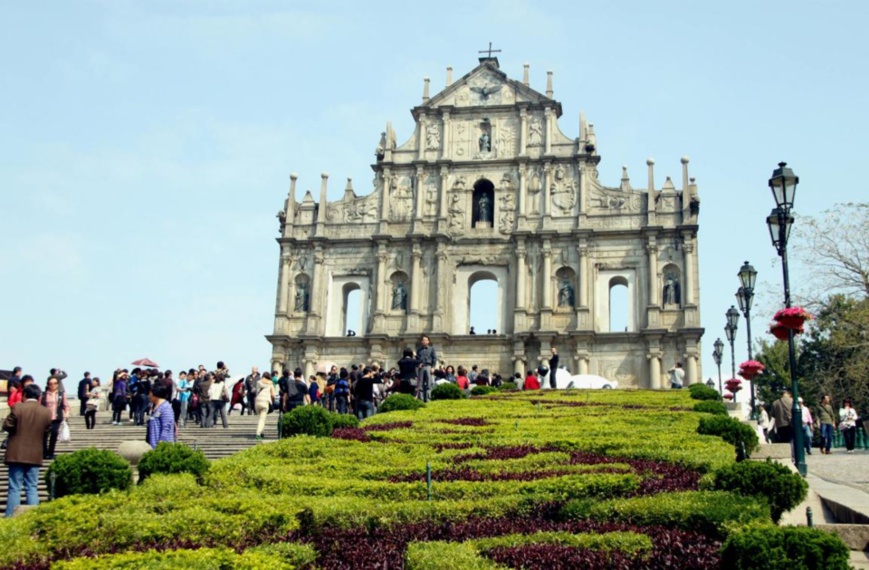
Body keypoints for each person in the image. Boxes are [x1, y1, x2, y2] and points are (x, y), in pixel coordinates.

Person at [3, 383, 53, 517]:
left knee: (14, 488)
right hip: (35, 454)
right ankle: (34, 517)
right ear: (39, 396)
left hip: (16, 453)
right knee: (32, 487)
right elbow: (47, 432)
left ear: (24, 395)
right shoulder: (46, 412)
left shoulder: (18, 407)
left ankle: (10, 518)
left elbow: (7, 425)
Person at [40, 376, 69, 460]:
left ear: (58, 384)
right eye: (50, 384)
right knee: (44, 435)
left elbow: (65, 405)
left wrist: (67, 413)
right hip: (45, 418)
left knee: (54, 433)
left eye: (55, 383)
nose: (52, 385)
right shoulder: (43, 394)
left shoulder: (61, 394)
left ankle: (51, 452)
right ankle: (44, 453)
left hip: (56, 417)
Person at [146, 381, 175, 449]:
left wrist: (162, 441)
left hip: (162, 446)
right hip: (153, 444)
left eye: (150, 393)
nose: (149, 395)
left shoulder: (165, 407)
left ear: (155, 393)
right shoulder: (155, 407)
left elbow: (166, 426)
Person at [254, 372, 275, 440]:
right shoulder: (270, 383)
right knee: (262, 419)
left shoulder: (258, 382)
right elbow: (273, 395)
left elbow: (256, 391)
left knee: (261, 418)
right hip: (265, 401)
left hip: (257, 401)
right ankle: (258, 434)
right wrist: (272, 401)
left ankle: (262, 432)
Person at [417, 335, 437, 403]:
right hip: (421, 367)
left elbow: (434, 358)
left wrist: (433, 367)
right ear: (421, 341)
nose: (424, 341)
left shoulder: (431, 349)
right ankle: (421, 399)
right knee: (420, 384)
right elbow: (417, 359)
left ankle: (428, 398)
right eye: (423, 340)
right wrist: (418, 364)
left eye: (426, 340)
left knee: (429, 383)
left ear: (428, 341)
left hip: (428, 366)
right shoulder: (419, 350)